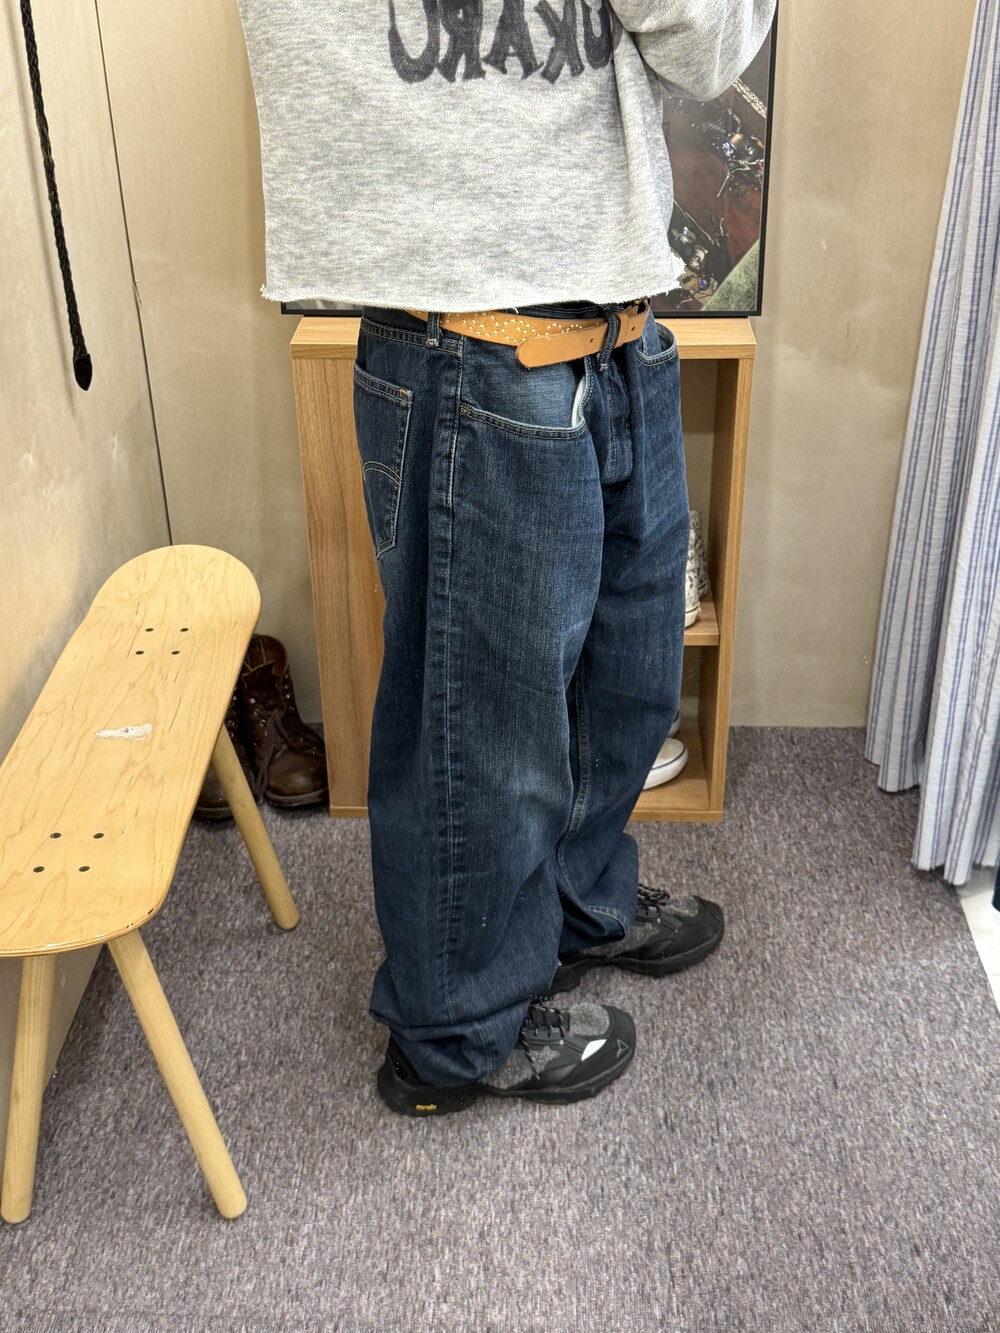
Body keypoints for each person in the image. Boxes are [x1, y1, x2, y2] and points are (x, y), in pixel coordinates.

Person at [236, 0, 777, 1114]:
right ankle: (455, 1031)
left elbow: (699, 50)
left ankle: (573, 905)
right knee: (482, 728)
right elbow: (702, 41)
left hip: (612, 315)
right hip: (476, 331)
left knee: (622, 674)